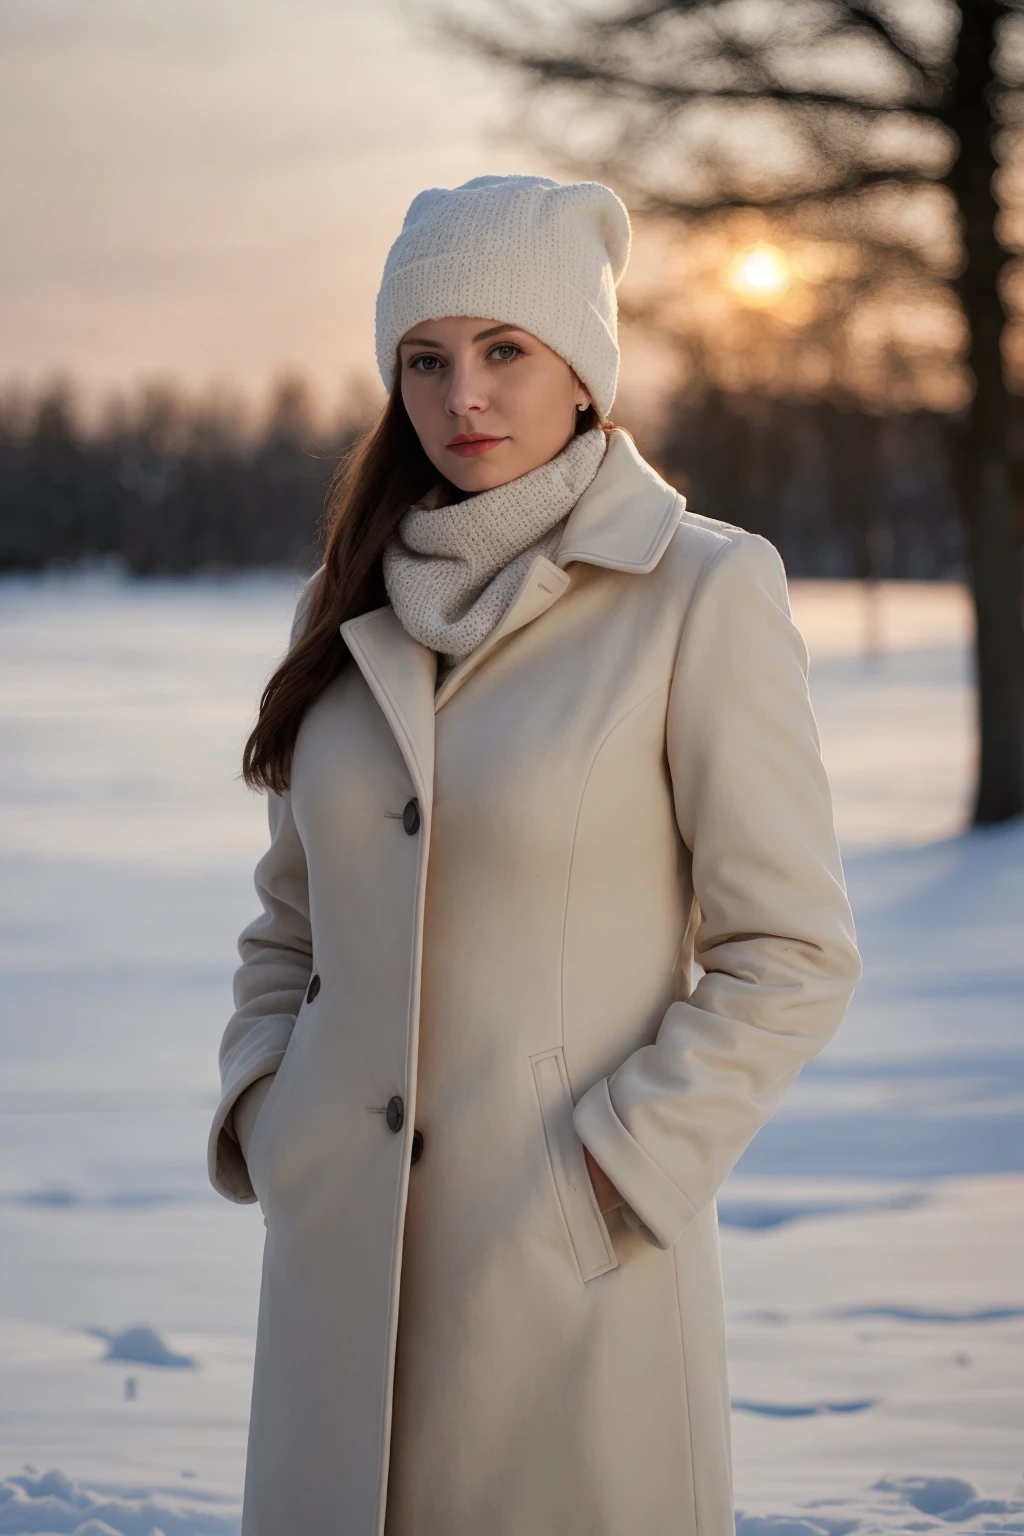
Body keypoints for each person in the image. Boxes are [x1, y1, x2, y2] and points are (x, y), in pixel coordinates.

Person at [208, 174, 861, 1536]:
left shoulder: (701, 592)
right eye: (427, 361)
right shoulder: (345, 609)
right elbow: (289, 928)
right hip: (341, 1284)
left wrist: (619, 1170)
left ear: (584, 370)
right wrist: (278, 1116)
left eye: (506, 350)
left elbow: (789, 951)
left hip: (563, 1285)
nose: (465, 398)